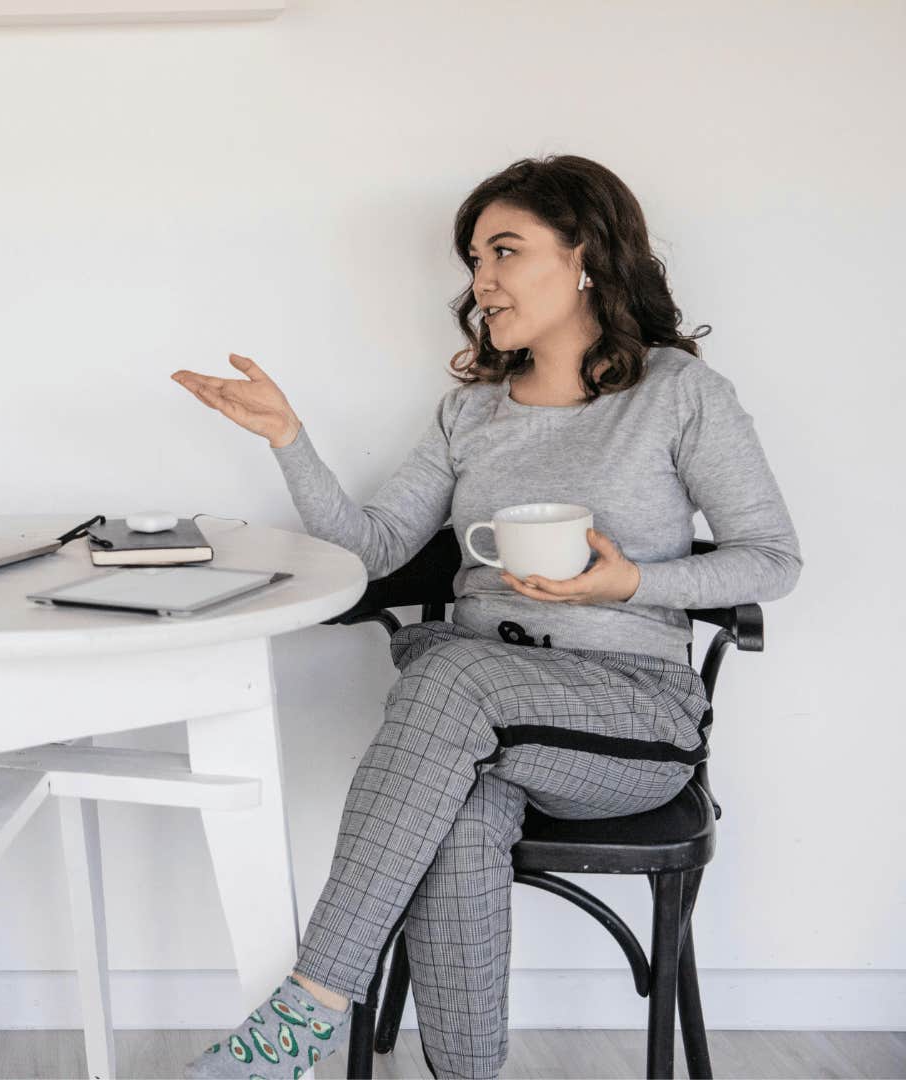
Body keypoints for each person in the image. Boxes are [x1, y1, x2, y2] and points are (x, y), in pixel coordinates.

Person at [171, 155, 800, 1079]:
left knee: (450, 671)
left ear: (585, 255)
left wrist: (631, 587)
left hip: (627, 716)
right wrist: (289, 443)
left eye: (506, 251)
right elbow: (375, 552)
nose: (482, 281)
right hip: (473, 721)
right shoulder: (470, 413)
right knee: (459, 811)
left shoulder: (678, 393)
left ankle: (305, 1014)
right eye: (474, 259)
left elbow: (774, 561)